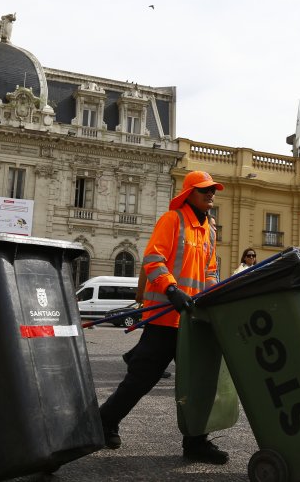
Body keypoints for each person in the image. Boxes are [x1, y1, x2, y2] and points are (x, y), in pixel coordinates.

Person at [99, 170, 228, 465]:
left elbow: (209, 271)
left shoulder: (210, 229)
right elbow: (153, 259)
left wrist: (211, 297)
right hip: (165, 318)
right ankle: (104, 422)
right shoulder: (172, 220)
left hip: (193, 321)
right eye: (205, 190)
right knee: (141, 378)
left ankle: (196, 442)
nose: (211, 194)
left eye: (213, 190)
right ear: (188, 193)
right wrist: (171, 290)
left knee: (197, 384)